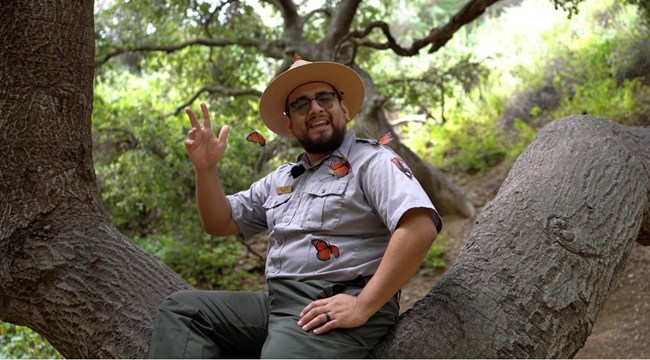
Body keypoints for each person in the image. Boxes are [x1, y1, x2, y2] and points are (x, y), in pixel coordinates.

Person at [148, 54, 442, 359]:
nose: (314, 108)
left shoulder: (373, 161)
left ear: (344, 108)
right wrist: (205, 169)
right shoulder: (283, 178)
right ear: (289, 123)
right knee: (184, 311)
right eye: (301, 104)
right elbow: (219, 222)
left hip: (335, 300)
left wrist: (363, 304)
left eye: (324, 98)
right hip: (279, 305)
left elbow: (419, 227)